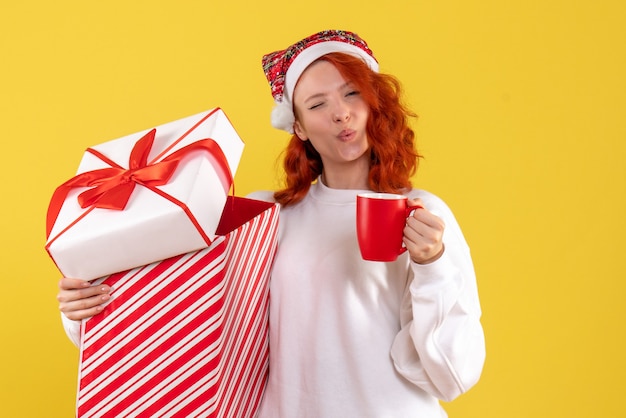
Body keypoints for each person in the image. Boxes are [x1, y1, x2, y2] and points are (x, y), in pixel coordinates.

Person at [57, 29, 485, 417]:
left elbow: (453, 373)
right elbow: (172, 306)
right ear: (297, 126)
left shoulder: (422, 212)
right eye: (318, 104)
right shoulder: (265, 217)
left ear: (375, 102)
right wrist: (85, 307)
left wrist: (433, 263)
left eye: (352, 94)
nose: (340, 114)